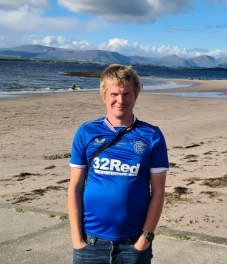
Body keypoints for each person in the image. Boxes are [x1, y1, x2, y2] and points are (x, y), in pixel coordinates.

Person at [68, 64, 169, 264]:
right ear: (104, 95)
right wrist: (77, 239)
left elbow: (158, 191)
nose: (120, 100)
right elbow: (75, 187)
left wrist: (144, 239)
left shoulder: (152, 135)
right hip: (91, 243)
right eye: (114, 94)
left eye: (127, 94)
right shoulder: (87, 132)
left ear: (135, 95)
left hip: (133, 245)